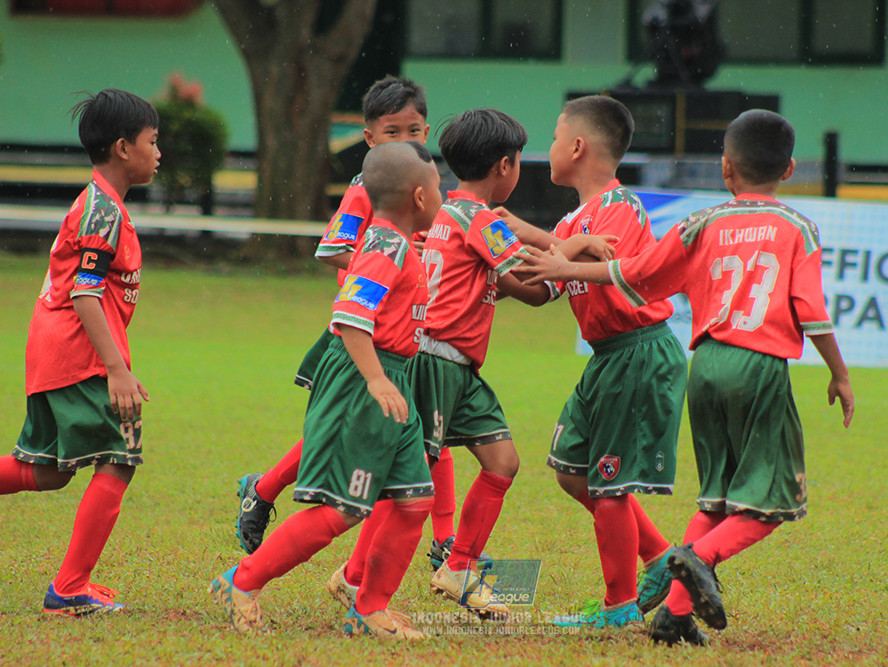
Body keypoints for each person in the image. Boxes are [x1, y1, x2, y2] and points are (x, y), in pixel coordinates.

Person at [515, 108, 855, 645]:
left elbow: (637, 275)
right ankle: (684, 561)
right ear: (789, 169)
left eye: (554, 135)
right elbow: (809, 308)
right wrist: (839, 373)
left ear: (725, 169)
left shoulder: (697, 222)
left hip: (701, 362)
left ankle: (666, 614)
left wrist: (564, 263)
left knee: (707, 498)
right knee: (768, 503)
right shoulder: (798, 227)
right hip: (755, 364)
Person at [325, 108, 613, 619]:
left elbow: (505, 284)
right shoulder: (477, 218)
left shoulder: (447, 212)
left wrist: (556, 261)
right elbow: (531, 284)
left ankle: (457, 565)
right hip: (438, 362)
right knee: (408, 482)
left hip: (458, 366)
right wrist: (580, 253)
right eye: (521, 160)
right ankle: (356, 579)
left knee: (501, 462)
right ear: (505, 166)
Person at [209, 141, 442, 639]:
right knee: (340, 510)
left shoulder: (398, 243)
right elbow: (351, 317)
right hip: (365, 380)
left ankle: (370, 608)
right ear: (420, 197)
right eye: (439, 187)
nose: (443, 194)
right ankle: (241, 582)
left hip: (393, 377)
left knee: (414, 500)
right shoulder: (386, 247)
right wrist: (376, 378)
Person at [234, 76, 459, 567]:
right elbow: (335, 249)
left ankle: (435, 543)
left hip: (415, 332)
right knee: (373, 433)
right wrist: (395, 260)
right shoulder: (371, 187)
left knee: (426, 434)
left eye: (415, 130)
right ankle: (268, 496)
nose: (406, 142)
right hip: (366, 332)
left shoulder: (427, 186)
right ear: (370, 139)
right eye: (393, 132)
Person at [496, 95, 688, 630]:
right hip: (607, 358)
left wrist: (550, 251)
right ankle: (662, 561)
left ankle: (619, 608)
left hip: (638, 351)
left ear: (577, 146)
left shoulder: (620, 207)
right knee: (574, 471)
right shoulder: (574, 219)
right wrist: (493, 271)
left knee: (608, 484)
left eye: (555, 137)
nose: (549, 148)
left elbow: (618, 268)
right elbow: (545, 284)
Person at [0, 89, 159, 616]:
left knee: (48, 471)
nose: (159, 153)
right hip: (77, 352)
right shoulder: (102, 211)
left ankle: (72, 585)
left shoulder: (101, 204)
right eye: (152, 142)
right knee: (119, 456)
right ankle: (69, 589)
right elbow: (85, 291)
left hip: (53, 347)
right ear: (122, 148)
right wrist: (115, 368)